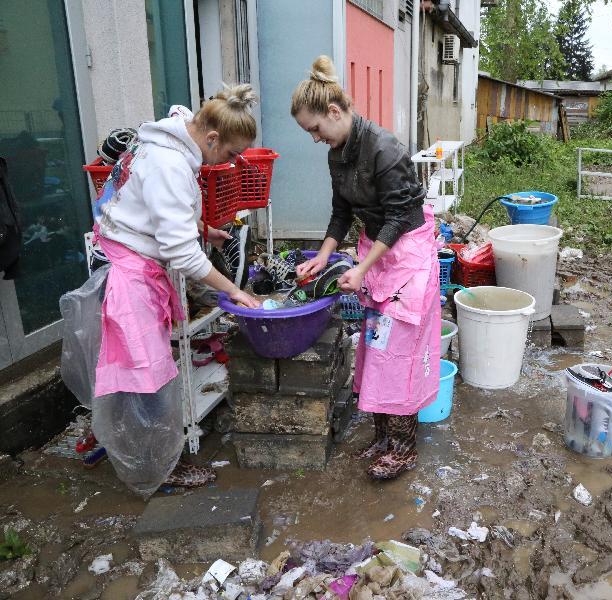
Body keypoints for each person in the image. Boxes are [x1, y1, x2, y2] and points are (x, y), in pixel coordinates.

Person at [93, 85, 261, 493]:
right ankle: (157, 470)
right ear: (211, 138)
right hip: (126, 274)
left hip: (124, 255)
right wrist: (234, 292)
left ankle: (159, 458)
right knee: (145, 377)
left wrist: (206, 232)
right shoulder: (170, 163)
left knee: (148, 368)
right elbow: (183, 257)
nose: (232, 162)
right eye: (232, 153)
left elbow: (155, 213)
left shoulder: (167, 138)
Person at [292, 55, 440, 481]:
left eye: (316, 128)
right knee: (375, 346)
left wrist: (361, 267)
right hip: (377, 255)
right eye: (309, 132)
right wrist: (324, 255)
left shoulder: (385, 148)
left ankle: (405, 448)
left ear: (334, 112)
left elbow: (398, 218)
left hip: (406, 255)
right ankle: (382, 439)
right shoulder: (338, 153)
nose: (315, 138)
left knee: (403, 353)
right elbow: (341, 211)